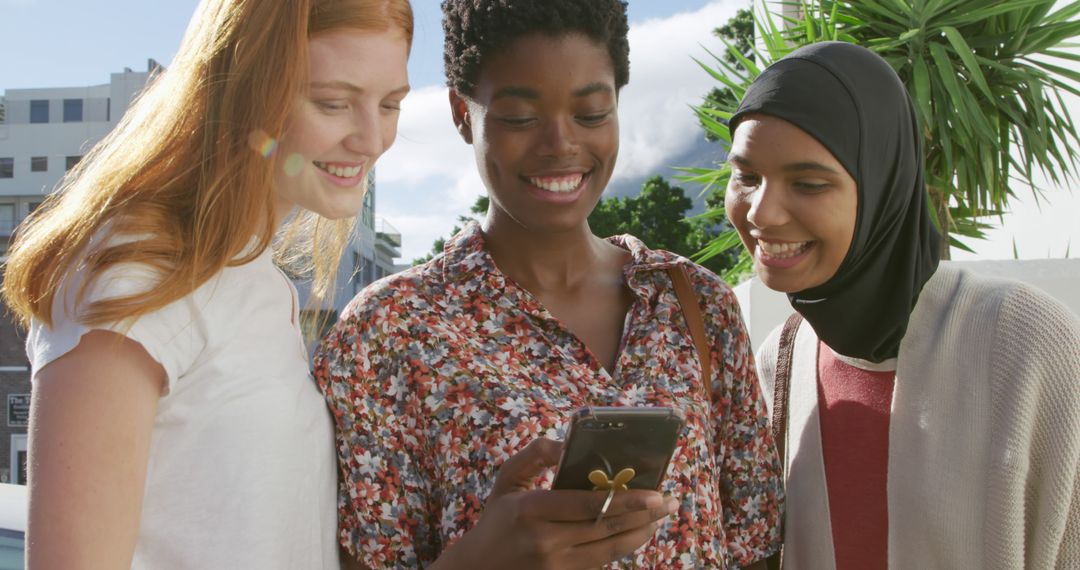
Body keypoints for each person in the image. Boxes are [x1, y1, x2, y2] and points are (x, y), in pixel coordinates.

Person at [314, 1, 784, 568]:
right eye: (518, 117)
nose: (561, 144)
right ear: (463, 113)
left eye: (590, 114)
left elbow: (756, 546)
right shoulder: (384, 335)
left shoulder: (696, 304)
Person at [2, 0, 413, 567]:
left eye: (391, 104)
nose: (372, 139)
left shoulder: (259, 281)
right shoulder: (138, 273)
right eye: (333, 103)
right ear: (245, 89)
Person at [724, 41, 1080, 569]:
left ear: (883, 187)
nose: (763, 212)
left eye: (808, 183)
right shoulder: (783, 358)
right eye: (747, 176)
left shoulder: (1022, 343)